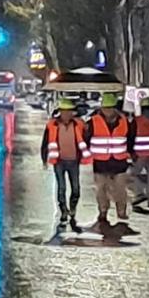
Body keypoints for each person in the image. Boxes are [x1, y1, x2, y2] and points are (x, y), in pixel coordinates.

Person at [86, 93, 138, 235]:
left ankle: (121, 211)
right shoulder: (93, 122)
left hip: (119, 162)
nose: (107, 111)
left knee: (120, 189)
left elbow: (131, 139)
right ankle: (103, 212)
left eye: (110, 108)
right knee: (101, 189)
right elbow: (87, 139)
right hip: (100, 162)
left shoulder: (125, 122)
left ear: (115, 109)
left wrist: (131, 153)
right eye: (105, 108)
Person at [41, 99, 91, 232]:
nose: (66, 114)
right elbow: (45, 142)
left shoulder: (79, 124)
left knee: (76, 189)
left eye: (69, 112)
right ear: (61, 112)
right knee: (61, 188)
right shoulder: (52, 125)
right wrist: (44, 159)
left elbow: (87, 137)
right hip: (59, 161)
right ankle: (64, 210)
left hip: (74, 161)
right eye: (64, 111)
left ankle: (72, 209)